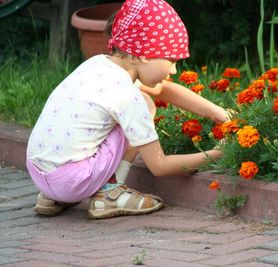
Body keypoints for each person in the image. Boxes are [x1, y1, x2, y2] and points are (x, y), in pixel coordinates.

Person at [26, 0, 230, 219]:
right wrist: (217, 153)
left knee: (144, 99)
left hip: (39, 172)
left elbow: (162, 89)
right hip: (73, 181)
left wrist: (219, 113)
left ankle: (53, 197)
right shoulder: (127, 96)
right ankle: (110, 192)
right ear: (143, 55)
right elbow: (159, 166)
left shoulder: (98, 65)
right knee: (146, 103)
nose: (173, 70)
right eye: (171, 60)